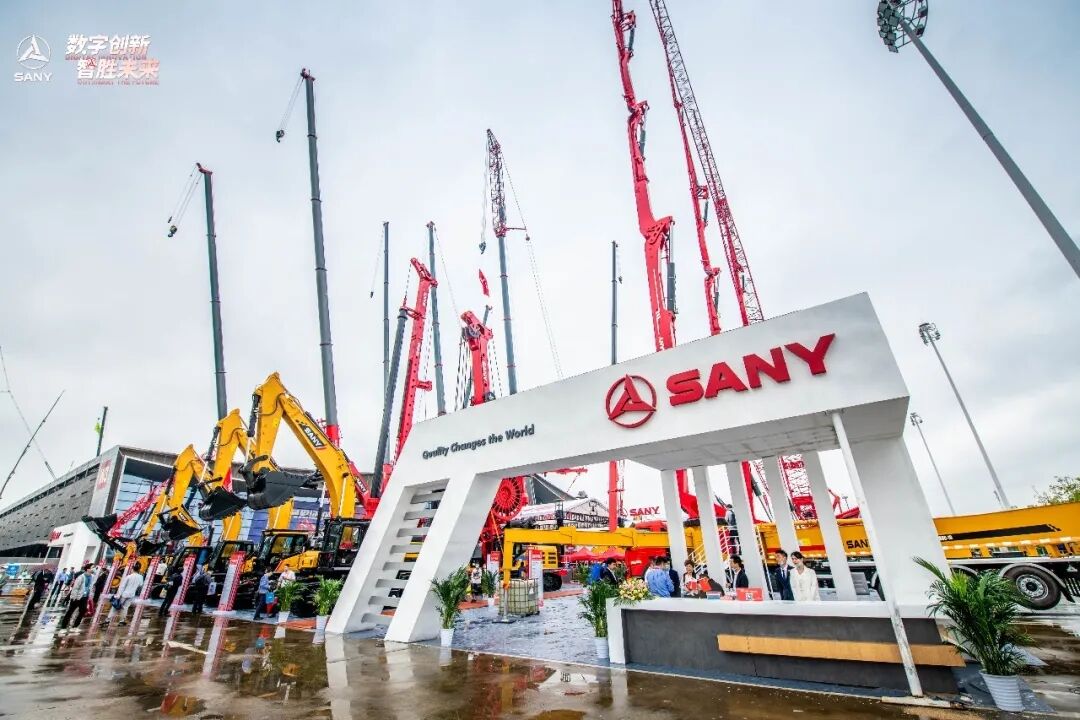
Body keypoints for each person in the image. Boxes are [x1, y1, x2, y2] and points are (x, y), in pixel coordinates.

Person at [58, 563, 94, 631]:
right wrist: (74, 598)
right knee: (70, 611)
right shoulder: (81, 577)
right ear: (88, 569)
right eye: (92, 567)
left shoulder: (92, 577)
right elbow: (75, 588)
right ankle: (63, 627)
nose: (94, 569)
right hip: (77, 597)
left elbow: (90, 587)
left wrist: (89, 595)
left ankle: (75, 627)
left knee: (83, 611)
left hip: (85, 597)